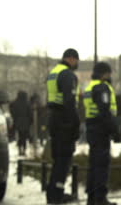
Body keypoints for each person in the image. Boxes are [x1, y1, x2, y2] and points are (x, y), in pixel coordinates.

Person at [46, 48, 80, 204]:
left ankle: (53, 193)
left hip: (54, 118)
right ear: (71, 59)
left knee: (57, 159)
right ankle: (58, 195)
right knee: (64, 160)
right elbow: (69, 101)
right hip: (64, 121)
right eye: (76, 61)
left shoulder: (54, 72)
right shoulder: (67, 74)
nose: (77, 64)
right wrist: (75, 124)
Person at [84, 62, 119, 205]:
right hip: (101, 129)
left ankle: (91, 198)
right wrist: (114, 129)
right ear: (104, 73)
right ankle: (100, 198)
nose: (110, 76)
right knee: (101, 165)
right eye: (108, 73)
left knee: (93, 164)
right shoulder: (101, 87)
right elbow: (104, 111)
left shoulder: (89, 87)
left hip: (92, 127)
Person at [10, 91, 32, 156]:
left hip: (18, 122)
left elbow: (12, 111)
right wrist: (30, 122)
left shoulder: (15, 103)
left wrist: (15, 118)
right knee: (24, 137)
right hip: (26, 122)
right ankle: (24, 150)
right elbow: (30, 113)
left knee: (19, 136)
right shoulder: (27, 103)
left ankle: (19, 150)